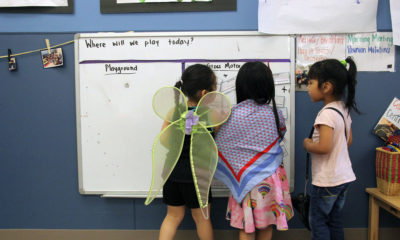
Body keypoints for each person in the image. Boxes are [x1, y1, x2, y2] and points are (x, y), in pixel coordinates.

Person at [215, 61, 293, 240]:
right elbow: (279, 136)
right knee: (266, 226)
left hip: (243, 178)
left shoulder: (231, 115)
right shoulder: (275, 114)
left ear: (240, 87)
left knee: (246, 226)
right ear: (268, 87)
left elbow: (220, 144)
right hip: (270, 179)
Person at [303, 57, 359, 240]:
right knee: (334, 220)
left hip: (328, 180)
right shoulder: (343, 109)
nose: (308, 87)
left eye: (310, 83)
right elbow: (347, 141)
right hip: (344, 177)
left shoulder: (326, 114)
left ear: (326, 87)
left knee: (318, 221)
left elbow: (325, 147)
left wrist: (308, 144)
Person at [159, 64, 217, 240]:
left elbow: (163, 140)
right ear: (204, 93)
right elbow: (214, 140)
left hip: (172, 172)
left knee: (172, 217)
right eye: (215, 87)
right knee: (202, 219)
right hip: (197, 175)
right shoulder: (211, 115)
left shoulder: (174, 111)